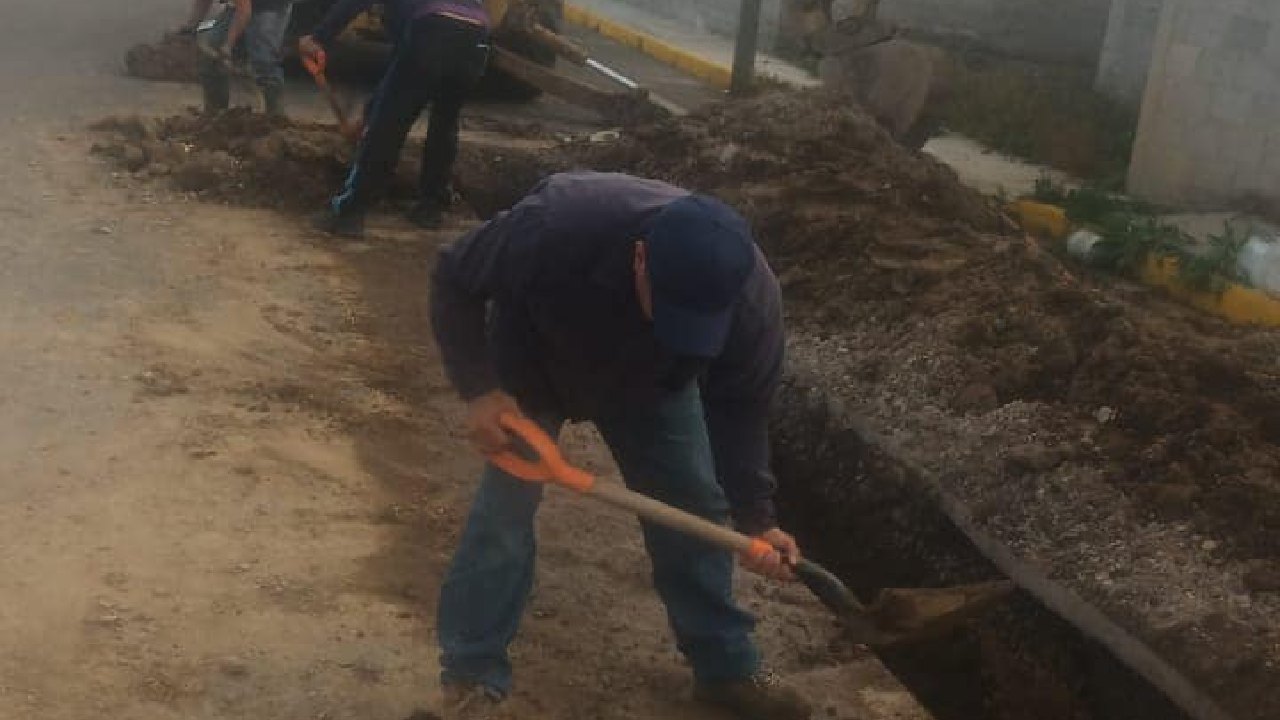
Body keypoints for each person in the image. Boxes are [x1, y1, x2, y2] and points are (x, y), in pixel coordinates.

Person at [429, 171, 814, 720]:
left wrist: (755, 515)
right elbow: (453, 277)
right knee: (502, 516)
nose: (682, 325)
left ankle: (727, 666)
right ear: (640, 258)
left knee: (694, 503)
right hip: (533, 358)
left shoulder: (752, 304)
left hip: (651, 383)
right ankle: (471, 674)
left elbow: (741, 409)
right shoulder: (555, 226)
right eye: (673, 308)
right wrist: (481, 391)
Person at [299, 0, 491, 238]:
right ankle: (431, 208)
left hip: (433, 28)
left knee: (388, 129)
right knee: (445, 124)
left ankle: (349, 212)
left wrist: (318, 37)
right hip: (476, 41)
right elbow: (397, 72)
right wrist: (370, 114)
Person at [189, 0, 295, 117]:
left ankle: (275, 116)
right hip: (239, 7)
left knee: (263, 58)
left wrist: (228, 45)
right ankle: (215, 113)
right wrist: (192, 26)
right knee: (212, 51)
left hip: (270, 6)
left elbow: (244, 12)